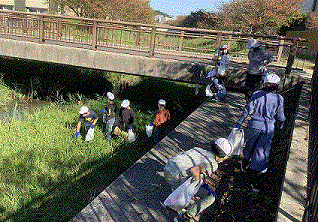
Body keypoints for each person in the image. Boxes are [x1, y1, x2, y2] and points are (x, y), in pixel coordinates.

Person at [235, 73, 285, 192]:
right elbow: (281, 118)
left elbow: (247, 110)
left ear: (265, 83)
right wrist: (280, 127)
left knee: (250, 144)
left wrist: (238, 124)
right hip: (268, 128)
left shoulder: (257, 94)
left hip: (254, 125)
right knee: (262, 151)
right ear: (277, 86)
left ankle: (245, 163)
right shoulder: (279, 98)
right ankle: (255, 180)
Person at [164, 138, 233, 222]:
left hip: (167, 169)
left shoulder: (198, 149)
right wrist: (197, 183)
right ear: (224, 156)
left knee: (197, 181)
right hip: (175, 177)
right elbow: (194, 170)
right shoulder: (213, 164)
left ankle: (177, 196)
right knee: (211, 197)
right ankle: (184, 217)